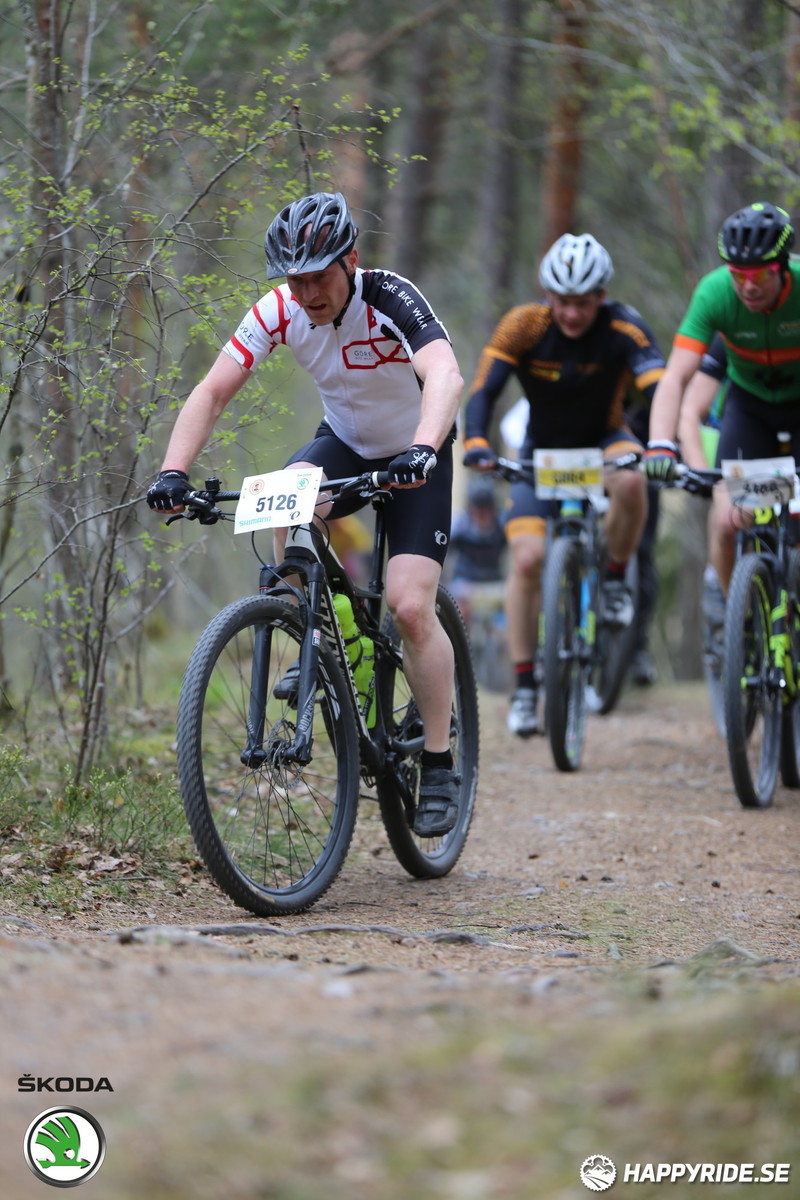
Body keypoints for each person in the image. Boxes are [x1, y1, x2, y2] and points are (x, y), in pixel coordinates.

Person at [146, 191, 464, 836]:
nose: (308, 292)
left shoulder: (390, 296)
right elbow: (212, 391)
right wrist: (173, 471)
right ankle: (313, 630)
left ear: (351, 260)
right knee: (280, 496)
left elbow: (446, 375)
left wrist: (423, 450)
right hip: (345, 441)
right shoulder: (279, 310)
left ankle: (439, 760)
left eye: (319, 275)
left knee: (408, 604)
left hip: (417, 449)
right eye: (295, 279)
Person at [462, 232, 666, 737]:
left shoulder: (625, 326)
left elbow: (660, 388)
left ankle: (615, 577)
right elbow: (484, 390)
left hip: (605, 440)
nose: (573, 313)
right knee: (528, 559)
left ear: (602, 296)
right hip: (542, 453)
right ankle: (527, 687)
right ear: (547, 295)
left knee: (634, 481)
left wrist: (663, 442)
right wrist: (477, 443)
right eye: (563, 302)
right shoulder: (524, 324)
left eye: (584, 303)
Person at [645, 201, 800, 593]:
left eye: (761, 274)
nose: (748, 285)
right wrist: (661, 444)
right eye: (738, 274)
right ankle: (735, 615)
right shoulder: (714, 293)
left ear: (782, 267)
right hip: (750, 409)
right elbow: (676, 377)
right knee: (729, 519)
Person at [446, 477, 507, 625]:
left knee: (510, 610)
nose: (482, 514)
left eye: (486, 508)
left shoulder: (502, 523)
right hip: (465, 583)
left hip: (495, 584)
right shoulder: (460, 524)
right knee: (460, 612)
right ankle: (461, 646)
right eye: (477, 508)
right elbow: (443, 553)